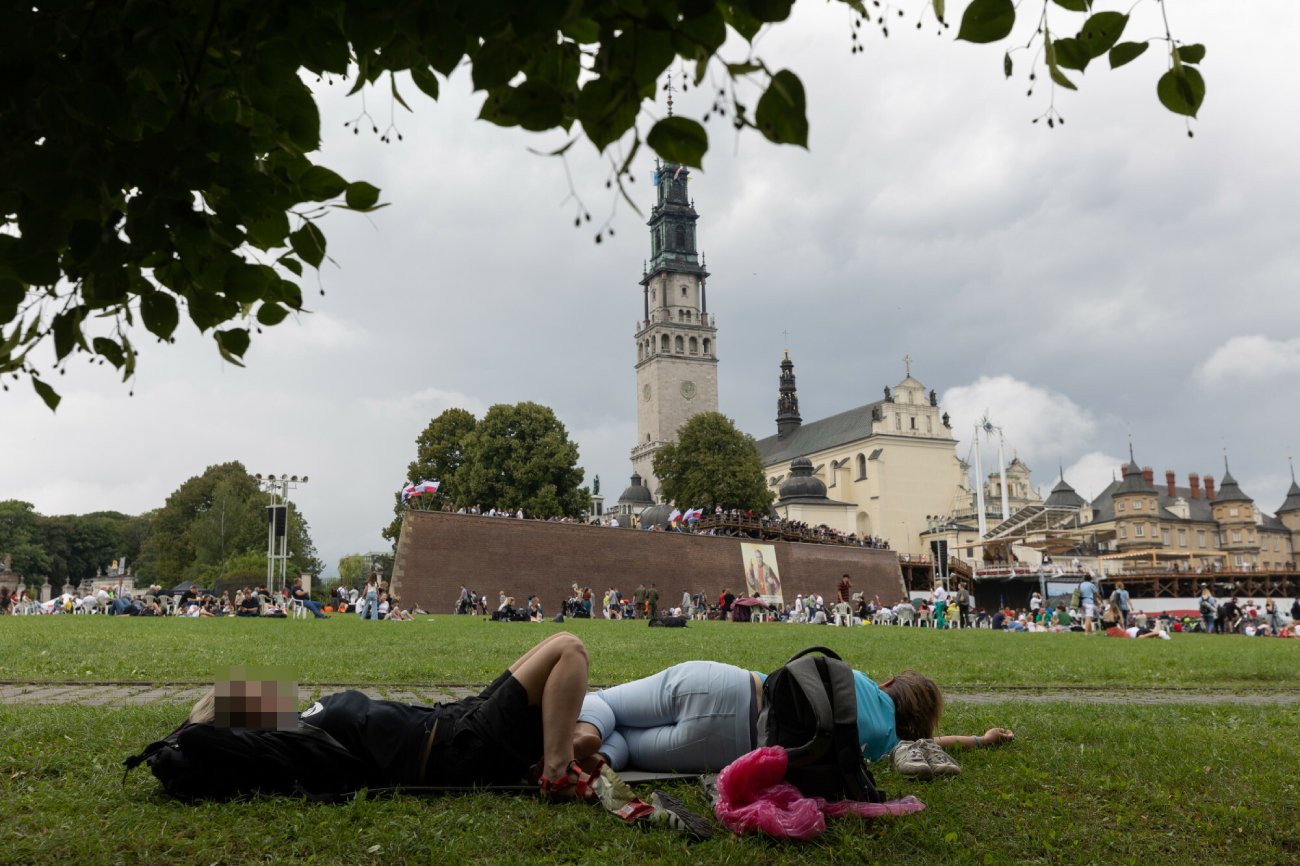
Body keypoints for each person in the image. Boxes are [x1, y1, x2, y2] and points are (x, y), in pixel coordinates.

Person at [182, 633, 597, 797]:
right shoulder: (286, 743)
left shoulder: (300, 719)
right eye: (244, 694)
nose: (256, 686)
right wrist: (204, 720)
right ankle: (557, 771)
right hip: (456, 746)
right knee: (569, 649)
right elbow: (197, 741)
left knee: (555, 646)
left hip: (455, 719)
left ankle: (552, 757)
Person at [573, 660, 1013, 774]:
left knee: (607, 703)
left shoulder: (854, 681)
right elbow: (941, 745)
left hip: (730, 685)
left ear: (890, 685)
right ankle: (602, 757)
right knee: (630, 748)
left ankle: (589, 731)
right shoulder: (887, 743)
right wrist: (984, 739)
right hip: (736, 744)